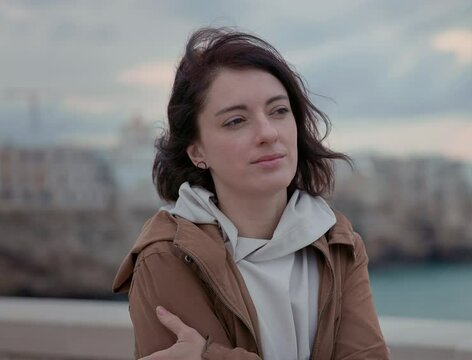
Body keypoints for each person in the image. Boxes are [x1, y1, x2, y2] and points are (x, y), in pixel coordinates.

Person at [112, 26, 389, 360]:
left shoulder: (337, 243)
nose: (268, 133)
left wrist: (209, 356)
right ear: (197, 150)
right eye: (236, 121)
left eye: (278, 111)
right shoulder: (168, 257)